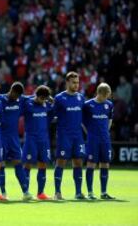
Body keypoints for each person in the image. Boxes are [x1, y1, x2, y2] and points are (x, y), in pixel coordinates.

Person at [0, 82, 33, 201]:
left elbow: (33, 97)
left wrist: (47, 97)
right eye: (14, 95)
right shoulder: (0, 99)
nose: (16, 98)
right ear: (11, 90)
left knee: (18, 163)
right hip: (1, 136)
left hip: (14, 138)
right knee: (1, 164)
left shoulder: (21, 99)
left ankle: (25, 191)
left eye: (18, 96)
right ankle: (3, 192)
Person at [53, 72, 86, 200]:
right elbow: (52, 115)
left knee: (78, 162)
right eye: (73, 82)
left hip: (77, 136)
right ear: (67, 82)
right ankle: (57, 192)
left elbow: (84, 118)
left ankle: (78, 192)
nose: (76, 85)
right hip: (64, 135)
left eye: (77, 82)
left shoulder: (81, 98)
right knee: (61, 161)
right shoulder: (59, 98)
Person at [83, 83, 115, 200]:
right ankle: (90, 192)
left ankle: (103, 192)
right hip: (93, 139)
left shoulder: (109, 105)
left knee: (105, 163)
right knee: (91, 163)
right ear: (100, 93)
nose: (108, 97)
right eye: (106, 95)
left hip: (105, 139)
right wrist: (89, 133)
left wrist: (105, 132)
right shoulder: (88, 105)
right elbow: (83, 122)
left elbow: (109, 120)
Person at [22, 85, 53, 200]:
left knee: (43, 164)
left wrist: (50, 101)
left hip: (44, 139)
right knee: (28, 164)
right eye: (41, 99)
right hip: (31, 139)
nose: (43, 101)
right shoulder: (28, 104)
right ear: (37, 96)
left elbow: (53, 111)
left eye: (45, 99)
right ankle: (26, 192)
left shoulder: (48, 105)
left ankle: (41, 193)